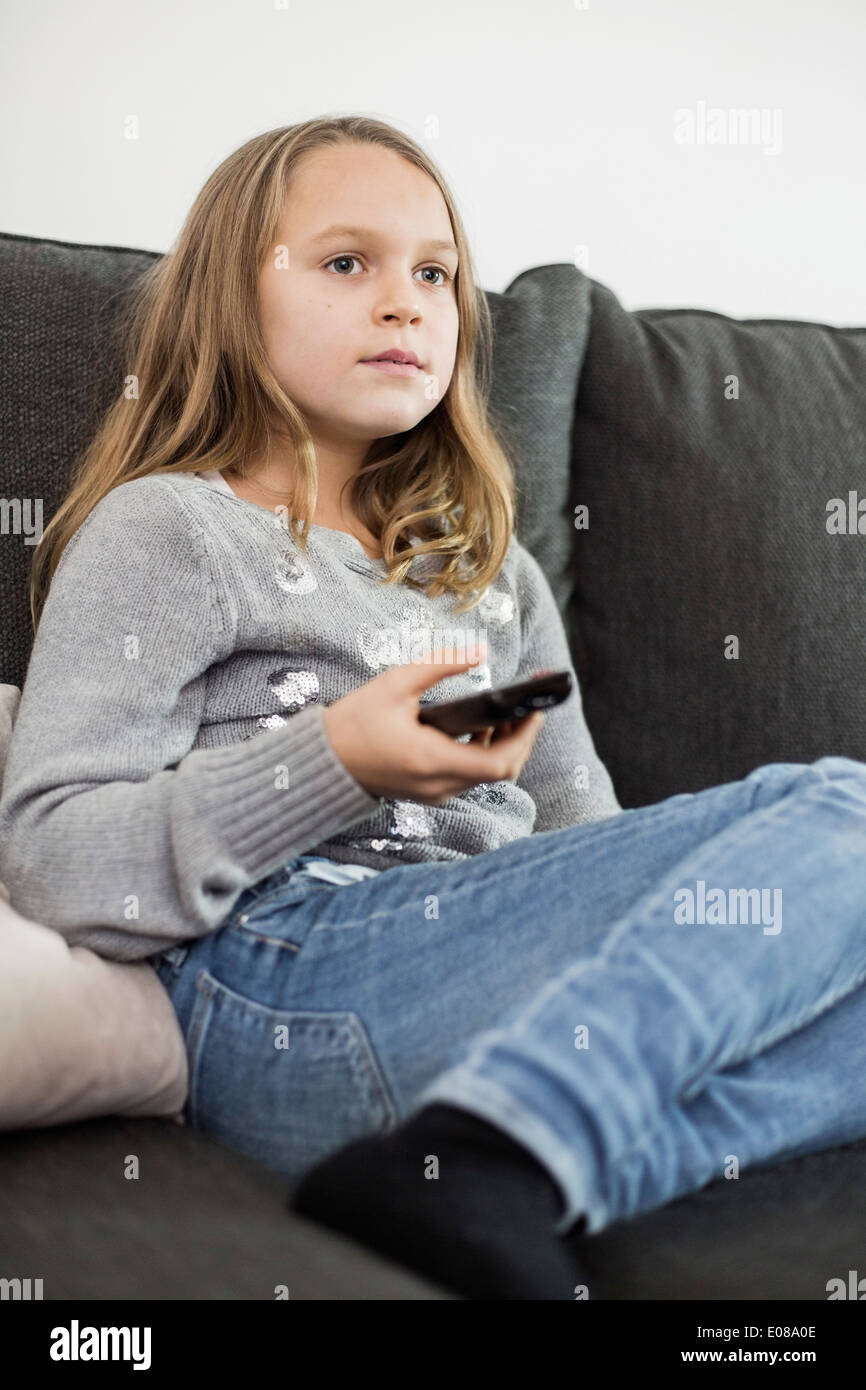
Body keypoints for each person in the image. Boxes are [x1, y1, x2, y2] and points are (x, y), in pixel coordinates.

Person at [3, 116, 866, 1302]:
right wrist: (337, 760)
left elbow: (584, 842)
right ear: (224, 303)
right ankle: (504, 1148)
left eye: (433, 274)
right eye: (346, 262)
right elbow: (52, 858)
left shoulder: (488, 573)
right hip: (281, 976)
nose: (404, 303)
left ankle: (500, 1159)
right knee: (846, 809)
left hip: (489, 998)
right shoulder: (173, 529)